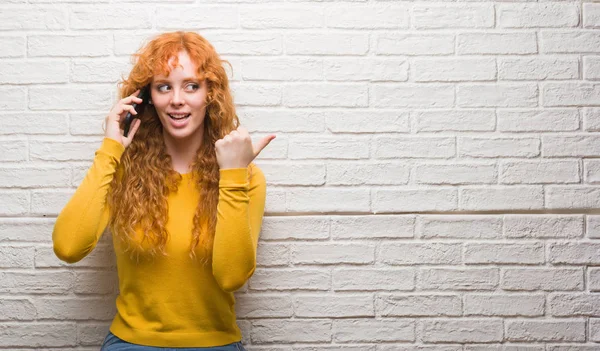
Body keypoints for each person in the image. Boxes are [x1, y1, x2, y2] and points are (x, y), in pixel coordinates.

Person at [52, 31, 275, 351]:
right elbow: (68, 246)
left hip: (215, 344)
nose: (177, 100)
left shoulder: (244, 177)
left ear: (210, 93)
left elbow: (232, 277)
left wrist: (232, 174)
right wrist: (111, 147)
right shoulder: (124, 171)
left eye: (192, 85)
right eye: (164, 86)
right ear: (147, 97)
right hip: (131, 343)